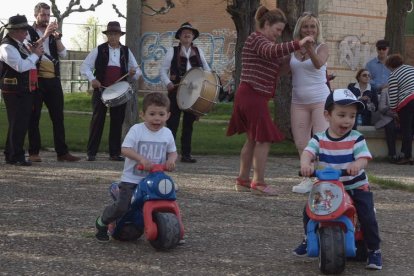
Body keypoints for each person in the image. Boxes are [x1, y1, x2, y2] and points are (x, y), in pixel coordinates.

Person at [226, 6, 314, 195]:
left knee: (252, 139)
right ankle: (259, 183)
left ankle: (242, 180)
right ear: (266, 24)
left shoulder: (265, 44)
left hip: (251, 95)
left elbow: (278, 69)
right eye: (277, 30)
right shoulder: (256, 39)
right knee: (264, 139)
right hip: (252, 94)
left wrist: (289, 61)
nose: (278, 35)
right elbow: (270, 52)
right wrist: (297, 43)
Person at [293, 89, 383, 270]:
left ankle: (374, 250)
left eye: (352, 116)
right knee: (309, 210)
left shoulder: (356, 138)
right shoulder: (319, 138)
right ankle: (307, 237)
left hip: (355, 185)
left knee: (367, 216)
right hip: (328, 187)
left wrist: (357, 164)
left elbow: (363, 157)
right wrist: (306, 165)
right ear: (327, 115)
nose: (347, 120)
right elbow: (308, 153)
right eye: (341, 115)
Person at [95, 92, 177, 241]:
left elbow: (173, 152)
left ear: (168, 115)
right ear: (142, 114)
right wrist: (140, 159)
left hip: (154, 179)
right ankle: (103, 221)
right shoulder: (137, 130)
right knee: (123, 206)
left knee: (168, 198)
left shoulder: (167, 133)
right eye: (152, 114)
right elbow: (125, 149)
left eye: (161, 114)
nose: (157, 118)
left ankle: (173, 228)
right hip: (132, 179)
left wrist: (171, 160)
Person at [80, 21, 141, 162]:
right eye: (110, 34)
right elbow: (85, 67)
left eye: (116, 34)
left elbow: (137, 71)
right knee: (97, 120)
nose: (113, 37)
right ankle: (91, 152)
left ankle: (114, 153)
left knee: (117, 121)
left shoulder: (126, 51)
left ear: (120, 35)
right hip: (101, 89)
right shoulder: (99, 49)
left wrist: (132, 73)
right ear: (107, 35)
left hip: (119, 91)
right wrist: (92, 79)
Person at [27, 2, 80, 162]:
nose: (46, 18)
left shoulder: (53, 33)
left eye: (48, 15)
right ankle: (34, 152)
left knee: (58, 117)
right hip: (36, 80)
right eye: (43, 14)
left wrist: (55, 38)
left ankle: (62, 153)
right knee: (33, 116)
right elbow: (29, 49)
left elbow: (63, 54)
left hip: (53, 80)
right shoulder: (28, 31)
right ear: (36, 15)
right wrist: (45, 35)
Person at [289, 12, 330, 194]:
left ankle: (323, 178)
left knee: (321, 140)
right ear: (300, 29)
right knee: (301, 141)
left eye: (312, 26)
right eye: (305, 26)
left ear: (317, 29)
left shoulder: (322, 46)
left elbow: (319, 63)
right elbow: (282, 68)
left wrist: (310, 47)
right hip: (298, 101)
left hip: (319, 99)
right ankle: (307, 178)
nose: (309, 29)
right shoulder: (293, 48)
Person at [159, 22, 211, 163]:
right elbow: (163, 71)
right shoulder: (172, 51)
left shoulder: (199, 51)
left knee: (188, 124)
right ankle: (169, 154)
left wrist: (206, 84)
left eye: (190, 32)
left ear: (193, 36)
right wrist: (168, 83)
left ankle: (186, 154)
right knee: (172, 124)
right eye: (184, 32)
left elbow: (206, 70)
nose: (187, 34)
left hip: (193, 93)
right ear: (180, 36)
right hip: (176, 90)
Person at [0, 15, 43, 166]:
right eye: (24, 30)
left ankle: (11, 153)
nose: (26, 33)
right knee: (18, 122)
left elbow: (29, 65)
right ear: (15, 31)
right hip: (13, 90)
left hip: (24, 88)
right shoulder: (6, 47)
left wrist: (33, 54)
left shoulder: (20, 44)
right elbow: (21, 66)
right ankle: (15, 156)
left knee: (20, 123)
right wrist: (35, 56)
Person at [385, 53, 414, 165]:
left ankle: (407, 156)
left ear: (390, 66)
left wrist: (394, 110)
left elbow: (393, 95)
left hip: (407, 102)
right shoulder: (411, 68)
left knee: (406, 130)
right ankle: (408, 155)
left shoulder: (393, 75)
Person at [374, 88, 401, 163]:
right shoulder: (385, 91)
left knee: (408, 129)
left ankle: (405, 155)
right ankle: (392, 154)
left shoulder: (405, 91)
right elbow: (381, 107)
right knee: (391, 128)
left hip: (403, 118)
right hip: (389, 117)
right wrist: (394, 114)